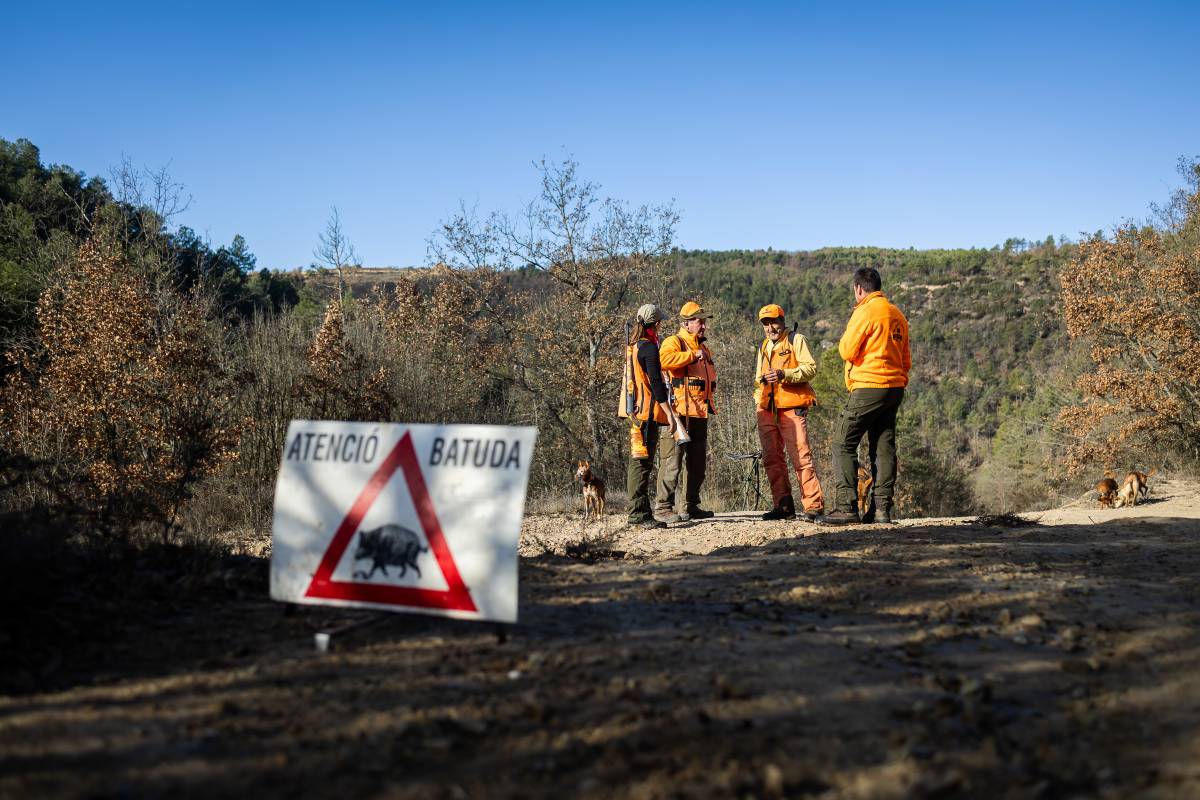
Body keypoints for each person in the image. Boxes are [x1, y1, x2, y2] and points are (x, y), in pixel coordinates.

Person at [819, 267, 911, 526]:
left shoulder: (865, 311)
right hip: (895, 388)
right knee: (883, 446)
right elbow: (906, 358)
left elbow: (847, 350)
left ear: (859, 289)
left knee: (842, 442)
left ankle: (846, 507)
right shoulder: (897, 314)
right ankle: (881, 510)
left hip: (870, 385)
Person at [754, 304, 824, 521]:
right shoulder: (764, 346)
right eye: (766, 323)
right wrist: (758, 399)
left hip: (792, 408)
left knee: (801, 457)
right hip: (766, 410)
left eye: (773, 322)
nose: (770, 327)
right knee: (771, 459)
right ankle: (783, 507)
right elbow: (758, 378)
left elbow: (810, 368)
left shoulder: (796, 340)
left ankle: (813, 507)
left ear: (782, 321)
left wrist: (785, 374)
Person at [655, 301, 717, 522]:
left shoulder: (703, 347)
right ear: (687, 323)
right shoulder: (675, 342)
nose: (704, 327)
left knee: (697, 464)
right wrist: (692, 356)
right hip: (677, 413)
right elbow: (663, 360)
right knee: (672, 462)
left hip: (699, 412)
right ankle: (663, 508)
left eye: (704, 322)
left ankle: (690, 505)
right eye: (700, 322)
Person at [620, 304, 671, 529]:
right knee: (642, 464)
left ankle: (641, 511)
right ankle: (638, 514)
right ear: (656, 324)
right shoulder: (649, 348)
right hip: (647, 414)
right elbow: (656, 385)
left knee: (639, 462)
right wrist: (669, 414)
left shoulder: (635, 346)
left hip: (636, 412)